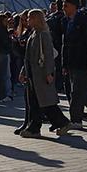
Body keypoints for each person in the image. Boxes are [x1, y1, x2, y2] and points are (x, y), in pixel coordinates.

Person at [16, 9, 72, 138]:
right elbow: (28, 57)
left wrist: (49, 73)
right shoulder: (34, 33)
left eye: (30, 18)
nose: (28, 20)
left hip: (41, 74)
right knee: (38, 102)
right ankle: (58, 123)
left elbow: (48, 55)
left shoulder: (43, 35)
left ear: (36, 19)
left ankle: (36, 128)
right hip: (33, 74)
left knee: (43, 101)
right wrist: (24, 71)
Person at [60, 0, 87, 127]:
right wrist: (64, 64)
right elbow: (65, 44)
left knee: (76, 92)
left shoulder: (84, 21)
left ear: (74, 6)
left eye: (66, 6)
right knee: (79, 91)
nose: (63, 8)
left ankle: (76, 120)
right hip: (71, 62)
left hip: (82, 61)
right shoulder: (66, 21)